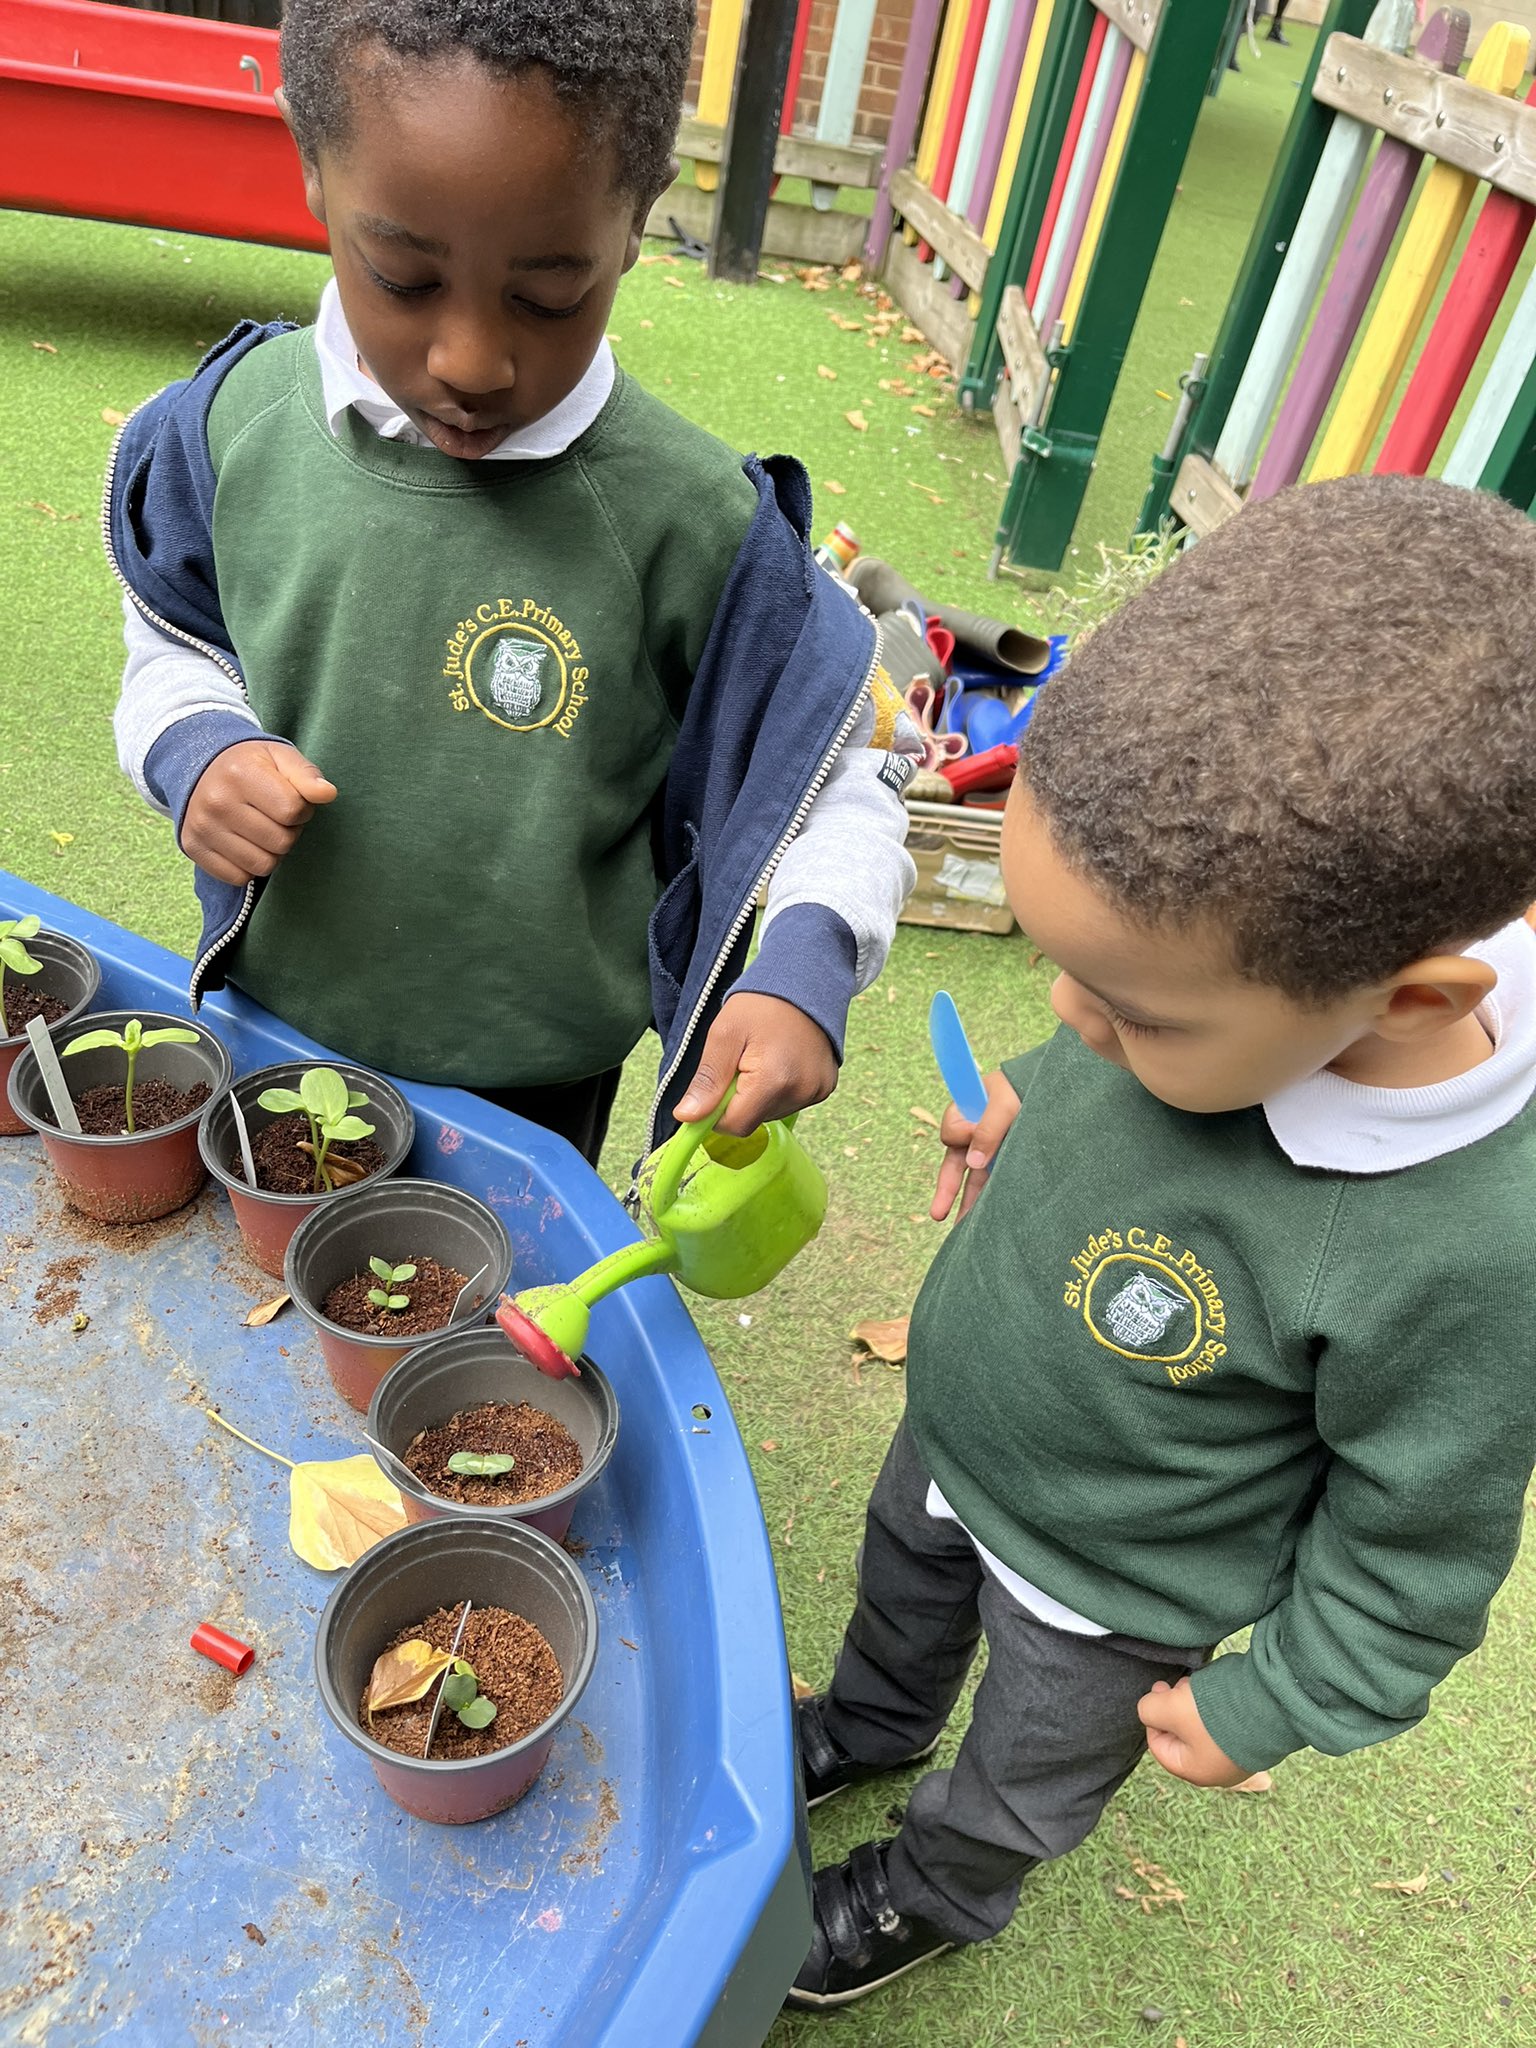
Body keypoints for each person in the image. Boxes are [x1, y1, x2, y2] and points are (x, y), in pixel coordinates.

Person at [788, 474, 1536, 2010]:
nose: (1071, 1017)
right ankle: (869, 1723)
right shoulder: (1225, 985)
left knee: (1027, 1765)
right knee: (901, 1600)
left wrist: (1282, 1700)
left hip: (1114, 1581)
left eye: (1126, 1013)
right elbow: (1109, 1075)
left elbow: (1419, 1541)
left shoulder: (1468, 1247)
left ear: (1405, 1007)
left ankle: (932, 1885)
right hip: (961, 1431)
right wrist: (1033, 1106)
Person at [106, 0, 919, 1169]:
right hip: (267, 1025)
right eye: (403, 275)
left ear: (635, 224)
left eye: (547, 297)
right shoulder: (233, 429)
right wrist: (196, 746)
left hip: (536, 1089)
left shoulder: (694, 524)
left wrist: (808, 954)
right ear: (310, 168)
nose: (471, 361)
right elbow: (173, 646)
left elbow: (840, 764)